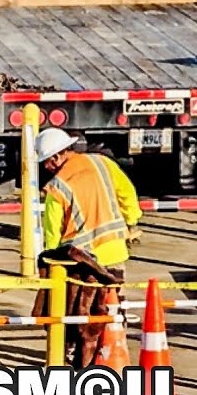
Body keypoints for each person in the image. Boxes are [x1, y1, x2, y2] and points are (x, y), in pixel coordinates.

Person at [35, 127, 143, 367]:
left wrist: (51, 266)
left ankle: (78, 359)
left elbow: (53, 236)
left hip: (82, 264)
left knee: (80, 314)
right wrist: (132, 221)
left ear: (57, 156)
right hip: (114, 252)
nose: (45, 168)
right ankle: (112, 356)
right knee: (113, 308)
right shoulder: (102, 164)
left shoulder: (57, 188)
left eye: (46, 162)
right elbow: (127, 193)